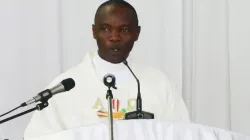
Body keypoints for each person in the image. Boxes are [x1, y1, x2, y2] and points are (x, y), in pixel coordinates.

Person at [24, 0, 190, 139]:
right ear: (94, 31)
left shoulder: (159, 84)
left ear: (137, 33)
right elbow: (38, 135)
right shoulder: (65, 87)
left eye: (124, 30)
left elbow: (183, 134)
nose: (114, 37)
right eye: (105, 29)